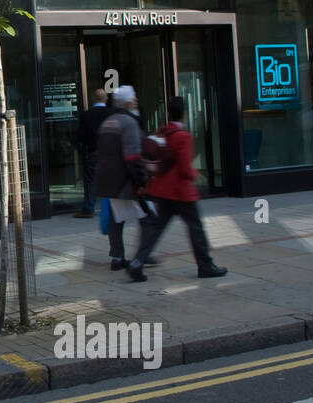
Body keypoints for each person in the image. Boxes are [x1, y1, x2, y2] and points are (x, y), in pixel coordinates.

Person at [125, 95, 228, 282]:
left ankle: (137, 262)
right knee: (196, 228)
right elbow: (184, 168)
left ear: (168, 114)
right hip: (181, 192)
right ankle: (205, 265)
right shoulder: (182, 136)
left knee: (156, 228)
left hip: (161, 191)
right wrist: (196, 175)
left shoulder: (161, 133)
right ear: (184, 114)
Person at [93, 85, 158, 271]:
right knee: (148, 218)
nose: (136, 102)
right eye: (135, 99)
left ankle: (117, 257)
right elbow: (132, 156)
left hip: (109, 180)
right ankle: (141, 258)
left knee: (116, 219)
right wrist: (142, 180)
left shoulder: (108, 122)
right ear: (128, 102)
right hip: (126, 181)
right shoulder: (129, 123)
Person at [74, 89, 110, 218]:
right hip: (109, 153)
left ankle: (89, 208)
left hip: (93, 151)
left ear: (93, 99)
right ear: (106, 99)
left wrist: (82, 149)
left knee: (90, 180)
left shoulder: (86, 115)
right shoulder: (111, 113)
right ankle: (113, 207)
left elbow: (80, 135)